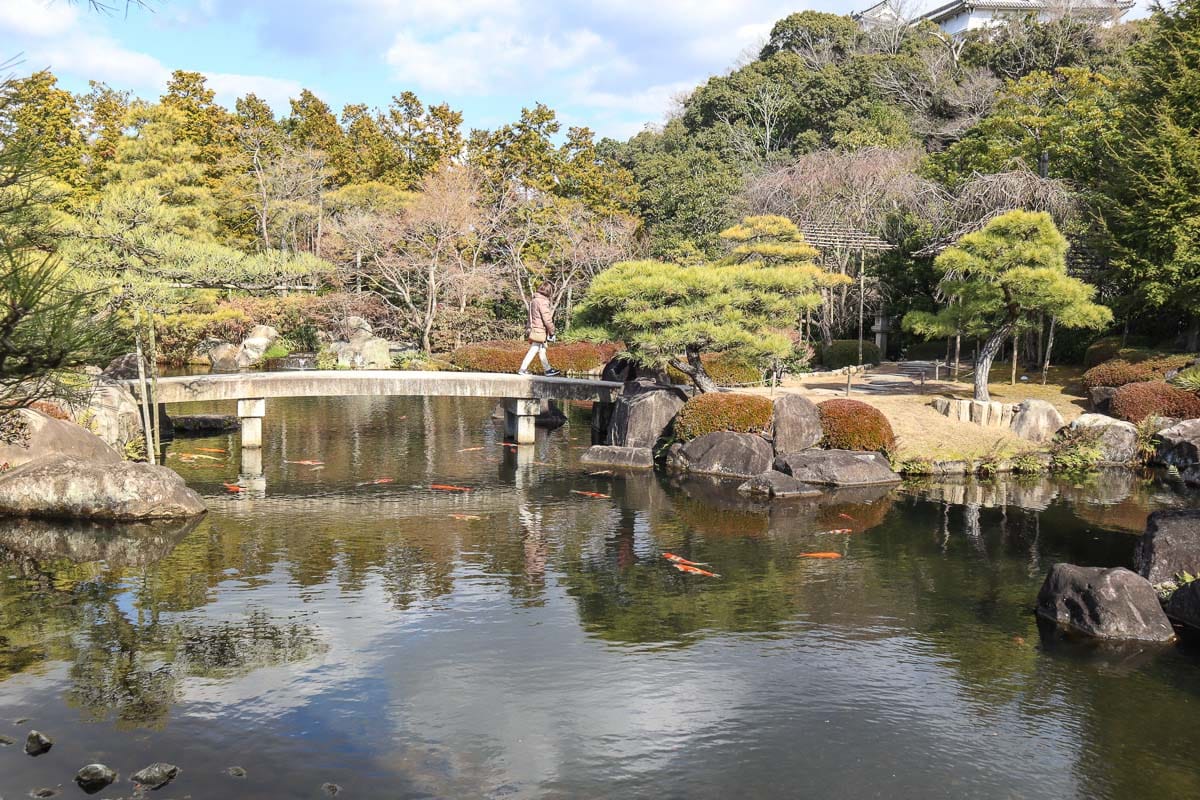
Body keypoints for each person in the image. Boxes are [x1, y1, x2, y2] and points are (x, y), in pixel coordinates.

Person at [518, 284, 560, 376]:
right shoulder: (543, 302)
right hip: (540, 329)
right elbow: (547, 319)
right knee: (534, 348)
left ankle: (548, 369)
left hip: (534, 328)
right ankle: (523, 368)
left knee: (542, 349)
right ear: (549, 292)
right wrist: (552, 331)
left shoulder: (534, 300)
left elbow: (530, 317)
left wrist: (529, 328)